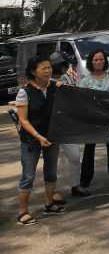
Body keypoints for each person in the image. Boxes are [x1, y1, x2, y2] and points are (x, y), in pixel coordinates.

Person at [15, 56, 65, 225]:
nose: (48, 70)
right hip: (31, 140)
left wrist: (62, 88)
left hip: (52, 137)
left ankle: (49, 204)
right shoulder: (25, 92)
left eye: (49, 67)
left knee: (51, 173)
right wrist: (38, 137)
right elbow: (23, 120)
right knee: (28, 176)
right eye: (44, 68)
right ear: (33, 71)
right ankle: (22, 212)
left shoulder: (55, 87)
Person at [78, 50, 109, 192]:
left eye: (101, 59)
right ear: (91, 62)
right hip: (92, 120)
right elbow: (81, 100)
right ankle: (85, 179)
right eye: (95, 60)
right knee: (89, 148)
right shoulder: (85, 81)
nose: (99, 62)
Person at [49, 52, 85, 198]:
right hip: (52, 126)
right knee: (53, 160)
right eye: (62, 64)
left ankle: (75, 186)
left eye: (65, 64)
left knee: (75, 157)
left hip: (69, 124)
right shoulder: (46, 81)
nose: (65, 67)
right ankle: (53, 190)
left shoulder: (70, 76)